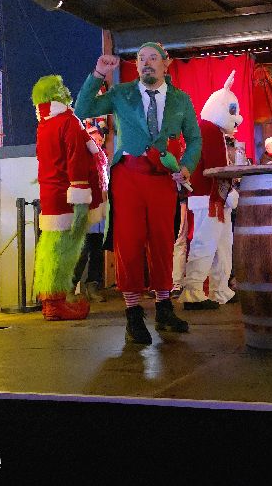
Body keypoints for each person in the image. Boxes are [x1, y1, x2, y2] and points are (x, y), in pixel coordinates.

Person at [75, 42, 201, 344]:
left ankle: (164, 308)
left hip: (162, 178)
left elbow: (194, 139)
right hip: (128, 176)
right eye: (141, 58)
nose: (146, 63)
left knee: (162, 242)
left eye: (153, 58)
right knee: (129, 243)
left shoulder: (181, 99)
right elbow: (82, 110)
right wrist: (98, 74)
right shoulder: (122, 93)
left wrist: (186, 167)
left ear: (166, 63)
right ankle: (133, 314)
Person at [32, 75, 102, 321]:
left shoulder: (44, 124)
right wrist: (81, 200)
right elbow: (76, 161)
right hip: (67, 197)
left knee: (50, 250)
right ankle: (56, 304)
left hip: (50, 194)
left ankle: (50, 301)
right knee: (65, 251)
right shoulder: (68, 122)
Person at [181, 71, 242, 309]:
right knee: (205, 244)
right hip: (210, 198)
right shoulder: (209, 131)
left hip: (213, 198)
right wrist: (229, 192)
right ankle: (193, 292)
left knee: (222, 246)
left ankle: (220, 289)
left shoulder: (210, 130)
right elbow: (216, 168)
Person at [75, 118, 109, 303]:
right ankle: (70, 286)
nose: (98, 142)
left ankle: (93, 284)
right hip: (86, 210)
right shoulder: (83, 159)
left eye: (100, 139)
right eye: (95, 139)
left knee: (97, 250)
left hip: (100, 213)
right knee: (82, 250)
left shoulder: (103, 160)